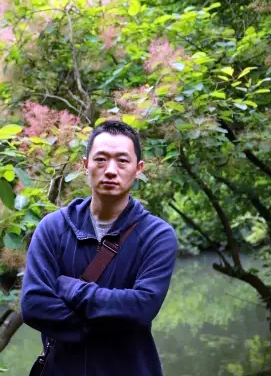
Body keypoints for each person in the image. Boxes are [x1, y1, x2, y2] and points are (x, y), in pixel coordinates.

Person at [20, 120, 178, 376]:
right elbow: (34, 305)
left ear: (138, 169)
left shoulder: (157, 235)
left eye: (122, 161)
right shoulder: (53, 228)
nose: (111, 170)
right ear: (85, 165)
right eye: (101, 160)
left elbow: (142, 308)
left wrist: (70, 288)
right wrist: (110, 321)